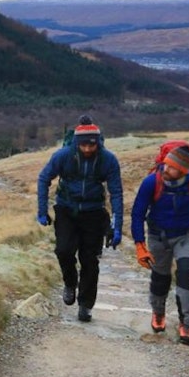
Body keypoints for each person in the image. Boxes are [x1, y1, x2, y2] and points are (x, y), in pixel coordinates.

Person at [130, 142, 189, 346]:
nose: (166, 169)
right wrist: (139, 244)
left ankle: (187, 324)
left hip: (187, 236)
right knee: (160, 277)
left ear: (183, 171)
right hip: (157, 236)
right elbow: (137, 213)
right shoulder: (151, 182)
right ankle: (158, 313)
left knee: (185, 272)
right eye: (165, 164)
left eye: (172, 167)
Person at [36, 116, 124, 322]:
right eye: (83, 145)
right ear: (76, 143)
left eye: (91, 145)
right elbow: (43, 178)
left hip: (94, 212)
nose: (87, 149)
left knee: (90, 260)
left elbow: (116, 192)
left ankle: (85, 305)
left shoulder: (108, 160)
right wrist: (42, 210)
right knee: (63, 250)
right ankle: (69, 282)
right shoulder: (63, 156)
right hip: (67, 209)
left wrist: (116, 225)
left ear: (97, 142)